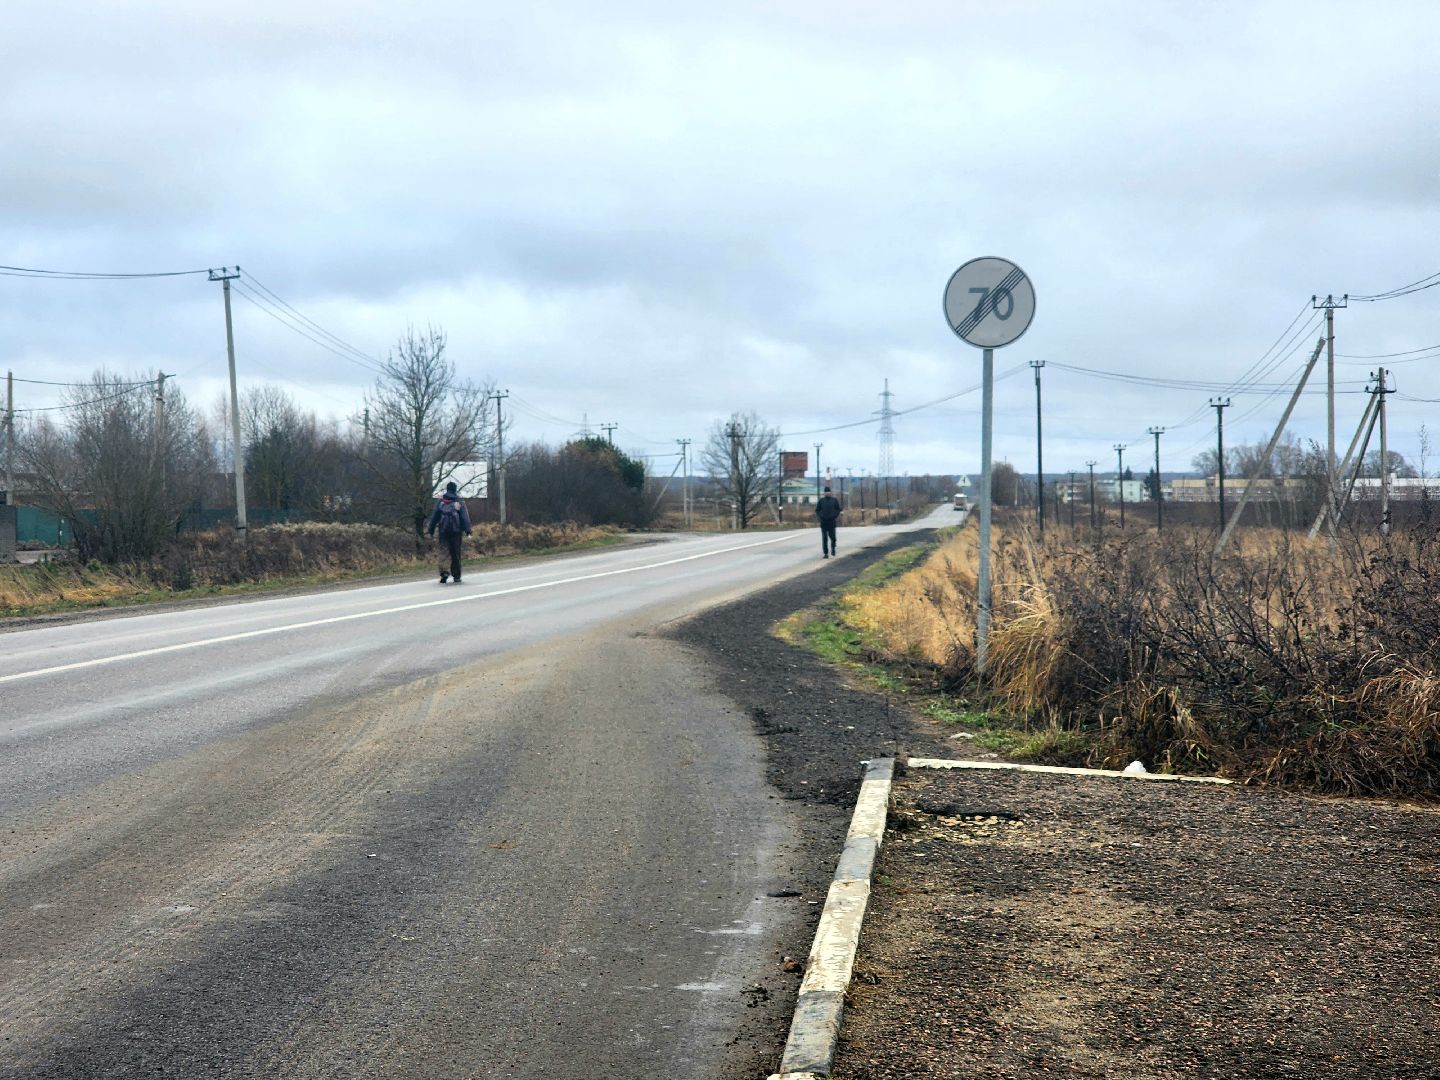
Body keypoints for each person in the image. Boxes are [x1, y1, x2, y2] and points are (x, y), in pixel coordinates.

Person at [427, 480, 473, 583]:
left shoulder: (441, 501)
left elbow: (435, 516)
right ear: (455, 489)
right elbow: (464, 517)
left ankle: (444, 572)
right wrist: (468, 531)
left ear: (447, 489)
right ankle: (456, 575)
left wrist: (431, 529)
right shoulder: (459, 501)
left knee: (444, 551)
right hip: (456, 532)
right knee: (456, 553)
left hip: (443, 531)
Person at [815, 485, 841, 558]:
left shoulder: (834, 500)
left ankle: (833, 548)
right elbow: (817, 510)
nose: (827, 493)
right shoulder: (821, 501)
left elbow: (838, 509)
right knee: (824, 538)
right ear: (824, 493)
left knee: (833, 537)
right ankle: (825, 553)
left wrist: (835, 516)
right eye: (826, 492)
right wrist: (820, 516)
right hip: (823, 522)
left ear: (830, 493)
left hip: (832, 522)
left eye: (828, 492)